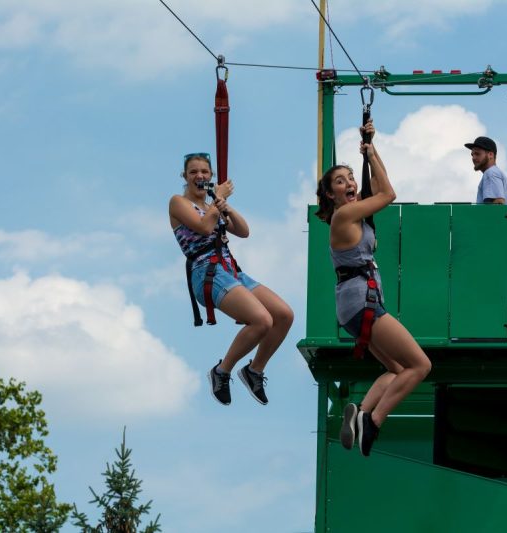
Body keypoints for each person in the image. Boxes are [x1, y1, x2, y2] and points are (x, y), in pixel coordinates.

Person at [315, 121, 432, 457]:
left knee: (396, 370)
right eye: (341, 181)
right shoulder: (344, 216)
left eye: (350, 178)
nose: (349, 183)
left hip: (355, 306)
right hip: (361, 303)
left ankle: (361, 411)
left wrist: (370, 147)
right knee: (420, 366)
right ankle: (374, 420)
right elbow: (389, 195)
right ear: (329, 194)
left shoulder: (353, 214)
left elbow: (379, 188)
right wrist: (370, 152)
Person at [169, 152, 294, 406]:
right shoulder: (178, 203)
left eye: (204, 172)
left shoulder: (213, 205)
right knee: (261, 320)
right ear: (185, 177)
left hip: (230, 270)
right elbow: (204, 227)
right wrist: (219, 201)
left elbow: (244, 231)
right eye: (193, 172)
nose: (199, 176)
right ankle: (222, 371)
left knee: (283, 315)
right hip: (206, 272)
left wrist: (224, 205)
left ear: (211, 176)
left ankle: (254, 370)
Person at [465, 136, 507, 205]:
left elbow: (498, 203)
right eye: (472, 155)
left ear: (490, 155)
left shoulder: (491, 173)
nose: (473, 158)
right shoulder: (497, 173)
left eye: (477, 154)